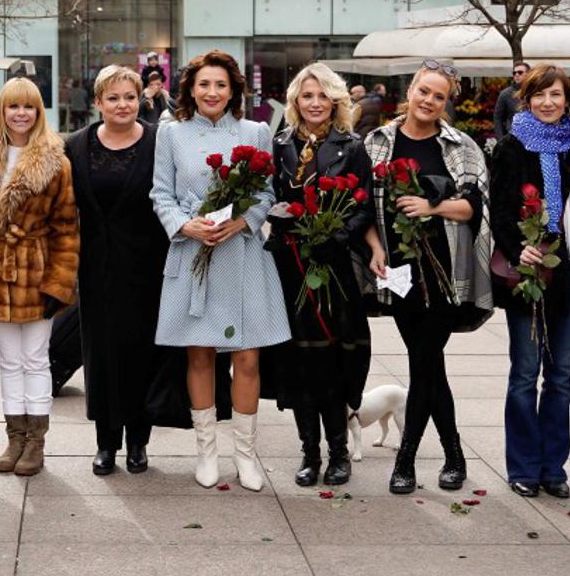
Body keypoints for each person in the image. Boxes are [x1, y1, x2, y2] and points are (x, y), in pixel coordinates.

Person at [151, 50, 290, 491]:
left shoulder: (257, 131)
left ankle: (246, 456)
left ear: (234, 91)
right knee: (200, 353)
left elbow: (267, 193)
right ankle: (206, 452)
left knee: (248, 355)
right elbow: (161, 193)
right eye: (204, 84)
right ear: (191, 88)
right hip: (194, 253)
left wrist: (242, 221)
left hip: (243, 252)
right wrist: (184, 224)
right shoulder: (171, 134)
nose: (212, 92)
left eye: (221, 85)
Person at [363, 60, 493, 495]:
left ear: (446, 101)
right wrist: (377, 247)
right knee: (428, 365)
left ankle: (406, 462)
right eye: (424, 91)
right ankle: (454, 455)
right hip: (399, 271)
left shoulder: (461, 147)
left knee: (424, 362)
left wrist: (432, 207)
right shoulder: (378, 141)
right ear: (411, 90)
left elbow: (472, 207)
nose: (429, 101)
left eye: (439, 96)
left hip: (444, 271)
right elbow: (363, 206)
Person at [263, 63, 380, 488]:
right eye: (306, 96)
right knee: (298, 360)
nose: (314, 103)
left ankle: (338, 452)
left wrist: (340, 235)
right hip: (289, 263)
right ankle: (309, 453)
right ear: (295, 101)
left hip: (333, 265)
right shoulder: (280, 145)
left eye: (322, 95)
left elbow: (364, 202)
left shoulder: (352, 146)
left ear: (335, 100)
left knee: (332, 359)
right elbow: (270, 197)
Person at [488, 63, 570, 499]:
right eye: (540, 95)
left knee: (561, 376)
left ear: (567, 100)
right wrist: (519, 249)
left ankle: (554, 468)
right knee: (525, 373)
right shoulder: (511, 148)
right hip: (530, 271)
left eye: (556, 95)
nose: (548, 103)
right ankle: (523, 467)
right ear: (526, 99)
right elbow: (498, 209)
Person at [0, 77, 80, 477]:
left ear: (38, 112)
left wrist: (58, 283)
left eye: (28, 107)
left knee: (35, 359)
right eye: (13, 106)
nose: (20, 113)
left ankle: (36, 442)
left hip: (35, 267)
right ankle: (14, 436)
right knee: (9, 361)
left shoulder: (55, 161)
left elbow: (67, 229)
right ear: (1, 111)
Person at [66, 65, 178, 475]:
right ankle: (105, 442)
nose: (122, 105)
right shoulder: (76, 146)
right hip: (96, 268)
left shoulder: (159, 142)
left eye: (129, 97)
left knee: (141, 353)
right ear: (98, 102)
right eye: (112, 98)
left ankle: (138, 441)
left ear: (141, 99)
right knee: (101, 355)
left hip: (149, 266)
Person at [493, 61, 530, 141]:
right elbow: (498, 118)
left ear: (528, 74)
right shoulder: (505, 94)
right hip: (514, 139)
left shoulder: (536, 91)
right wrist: (501, 140)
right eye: (514, 73)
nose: (516, 75)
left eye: (520, 72)